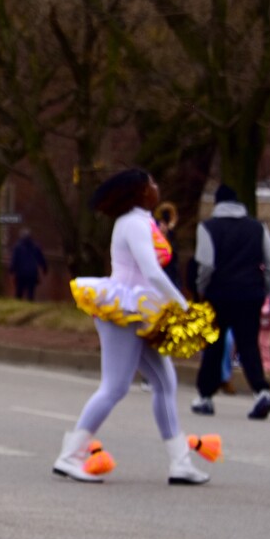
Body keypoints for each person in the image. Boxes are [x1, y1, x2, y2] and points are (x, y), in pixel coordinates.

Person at [53, 169, 212, 485]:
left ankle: (180, 462)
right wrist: (182, 305)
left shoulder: (142, 221)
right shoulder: (134, 223)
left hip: (141, 310)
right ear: (140, 192)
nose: (156, 188)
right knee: (115, 386)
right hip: (125, 309)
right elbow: (151, 271)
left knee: (166, 382)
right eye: (151, 184)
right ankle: (70, 456)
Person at [191, 184, 270, 419]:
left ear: (217, 204)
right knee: (249, 344)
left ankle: (205, 396)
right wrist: (265, 288)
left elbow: (206, 264)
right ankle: (261, 391)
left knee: (215, 346)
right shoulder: (258, 227)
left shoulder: (208, 228)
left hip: (218, 295)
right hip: (250, 294)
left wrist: (201, 289)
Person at [9, 228, 47, 300]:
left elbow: (14, 260)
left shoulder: (18, 247)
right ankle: (29, 303)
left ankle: (18, 304)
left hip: (21, 273)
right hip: (32, 273)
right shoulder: (35, 247)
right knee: (31, 292)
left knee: (19, 291)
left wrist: (11, 270)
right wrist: (44, 268)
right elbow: (41, 259)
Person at [154, 201, 182, 289]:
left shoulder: (171, 240)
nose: (161, 226)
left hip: (170, 280)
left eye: (164, 223)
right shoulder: (152, 239)